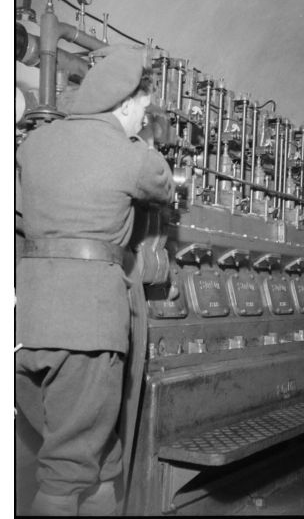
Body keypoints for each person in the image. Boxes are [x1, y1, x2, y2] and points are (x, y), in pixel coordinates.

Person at [15, 48, 174, 515]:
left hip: (30, 317)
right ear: (125, 105)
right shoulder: (131, 156)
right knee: (68, 469)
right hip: (88, 322)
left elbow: (20, 215)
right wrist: (147, 145)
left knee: (102, 457)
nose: (144, 120)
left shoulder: (33, 144)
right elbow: (164, 189)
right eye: (143, 111)